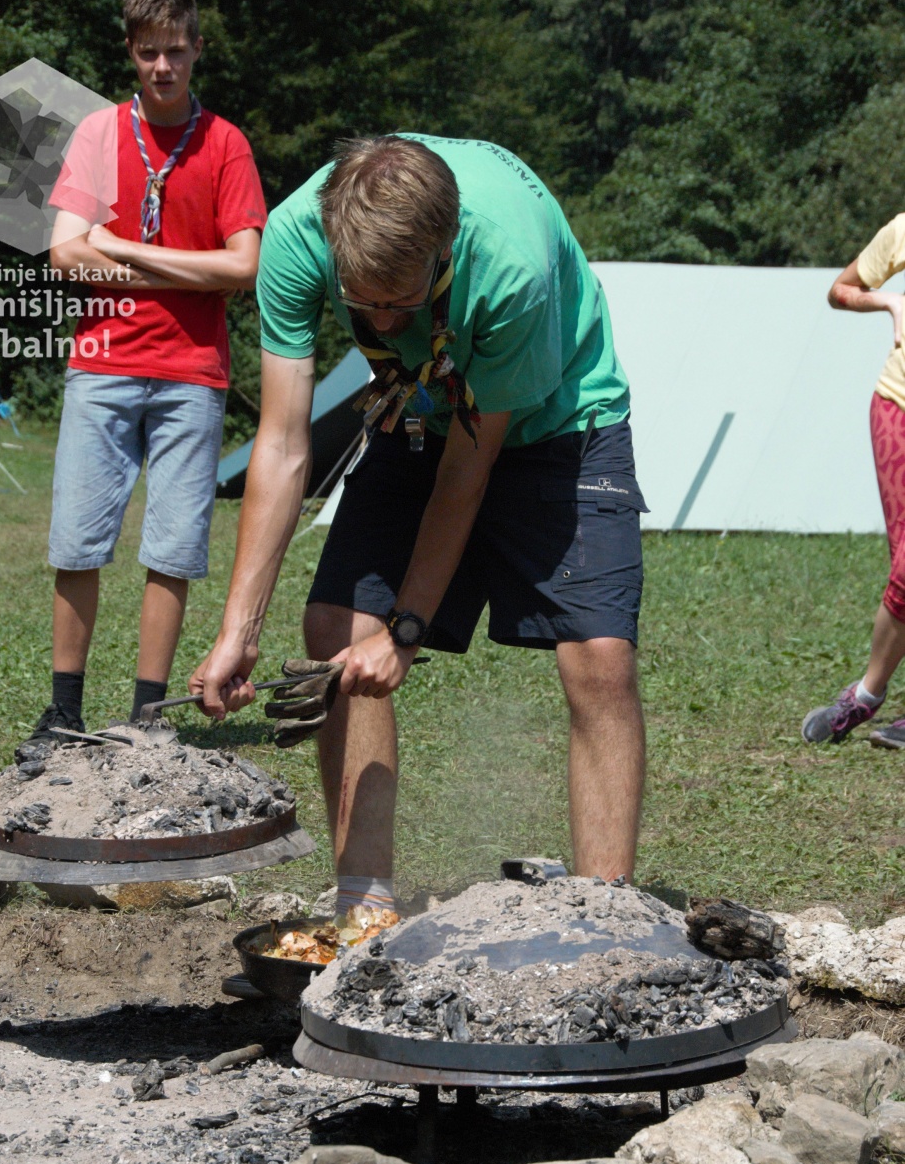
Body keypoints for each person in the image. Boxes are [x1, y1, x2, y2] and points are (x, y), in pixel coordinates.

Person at [192, 134, 647, 914]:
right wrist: (240, 628)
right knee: (336, 626)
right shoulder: (298, 238)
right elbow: (284, 442)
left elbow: (468, 470)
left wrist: (405, 629)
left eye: (399, 303)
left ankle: (607, 919)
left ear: (445, 247)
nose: (379, 319)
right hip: (420, 405)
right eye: (361, 300)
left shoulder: (508, 267)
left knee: (599, 659)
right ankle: (363, 906)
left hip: (563, 415)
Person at [31, 0, 266, 738]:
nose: (162, 66)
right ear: (131, 52)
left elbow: (244, 267)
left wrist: (122, 248)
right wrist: (189, 272)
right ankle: (64, 711)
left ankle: (147, 715)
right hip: (102, 365)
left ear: (197, 50)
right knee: (77, 540)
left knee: (173, 548)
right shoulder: (99, 133)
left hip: (192, 372)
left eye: (175, 50)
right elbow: (65, 254)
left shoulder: (225, 143)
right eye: (147, 52)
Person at [802, 217, 905, 748]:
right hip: (897, 409)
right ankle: (866, 696)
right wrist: (891, 303)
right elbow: (841, 290)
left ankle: (866, 694)